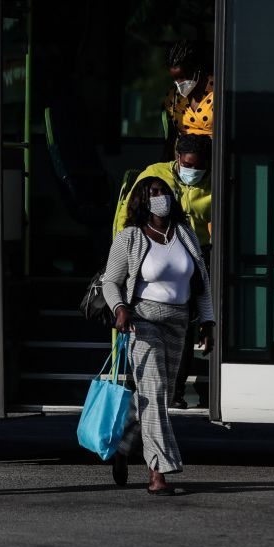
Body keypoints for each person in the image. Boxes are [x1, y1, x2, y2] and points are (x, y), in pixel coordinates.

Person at [102, 177, 214, 495]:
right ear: (142, 200)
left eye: (164, 192)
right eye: (154, 193)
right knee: (156, 391)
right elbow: (111, 281)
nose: (160, 197)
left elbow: (201, 283)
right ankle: (159, 473)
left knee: (157, 397)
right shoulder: (130, 237)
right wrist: (120, 307)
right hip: (143, 321)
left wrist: (208, 322)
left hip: (179, 321)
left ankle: (124, 442)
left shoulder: (184, 235)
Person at [113, 133, 213, 407]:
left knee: (183, 333)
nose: (194, 171)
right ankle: (142, 393)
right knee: (145, 338)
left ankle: (174, 393)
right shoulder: (155, 177)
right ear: (178, 158)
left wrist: (208, 320)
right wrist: (128, 251)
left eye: (200, 166)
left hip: (191, 255)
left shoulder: (213, 182)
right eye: (190, 165)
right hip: (152, 253)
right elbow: (127, 214)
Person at [162, 40, 214, 155]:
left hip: (214, 160)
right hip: (184, 162)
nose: (179, 82)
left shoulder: (219, 91)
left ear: (197, 69)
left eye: (182, 77)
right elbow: (171, 136)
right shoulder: (173, 97)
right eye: (175, 78)